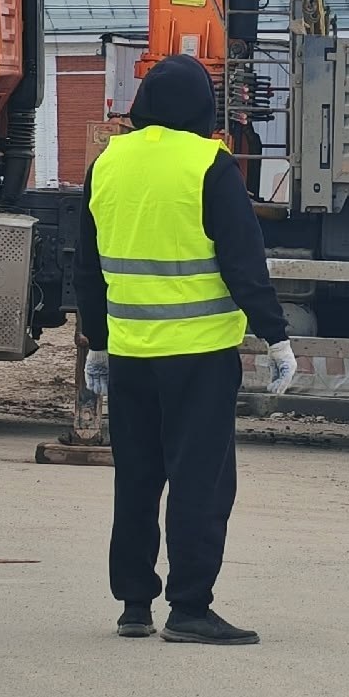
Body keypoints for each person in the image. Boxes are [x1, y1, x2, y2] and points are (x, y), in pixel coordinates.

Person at [75, 54, 298, 644]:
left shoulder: (108, 164)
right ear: (202, 108)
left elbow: (89, 270)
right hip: (199, 357)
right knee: (199, 482)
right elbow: (244, 263)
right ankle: (191, 608)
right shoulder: (210, 164)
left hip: (129, 354)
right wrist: (275, 336)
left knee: (137, 478)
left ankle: (133, 606)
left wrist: (97, 345)